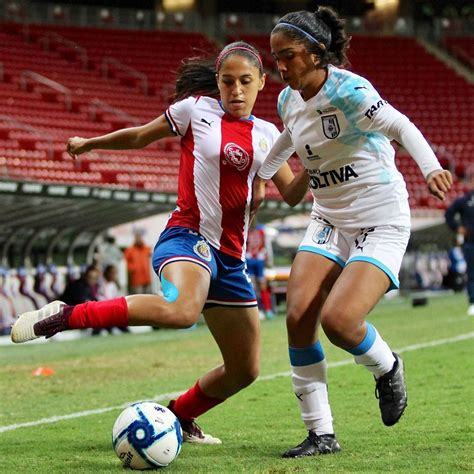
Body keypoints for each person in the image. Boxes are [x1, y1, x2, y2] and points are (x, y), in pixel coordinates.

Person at [11, 41, 309, 444]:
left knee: (244, 369)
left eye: (244, 82)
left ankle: (179, 416)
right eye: (227, 82)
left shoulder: (269, 136)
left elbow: (291, 195)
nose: (235, 90)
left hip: (231, 260)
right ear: (217, 84)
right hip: (186, 239)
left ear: (261, 83)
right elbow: (138, 137)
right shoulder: (193, 111)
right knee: (182, 310)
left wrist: (320, 157)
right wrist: (90, 143)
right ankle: (68, 315)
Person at [252, 7, 453, 458]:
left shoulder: (352, 91)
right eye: (275, 57)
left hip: (380, 216)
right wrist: (263, 175)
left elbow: (399, 125)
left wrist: (431, 168)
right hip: (328, 217)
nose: (279, 66)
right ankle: (321, 433)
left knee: (339, 322)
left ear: (317, 53)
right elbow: (289, 135)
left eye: (288, 56)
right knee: (298, 316)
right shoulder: (288, 99)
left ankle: (387, 366)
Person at [445, 188, 474, 315]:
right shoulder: (465, 200)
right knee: (472, 273)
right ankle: (473, 302)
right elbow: (448, 214)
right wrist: (458, 228)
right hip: (471, 242)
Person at [245, 220, 274, 319]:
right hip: (249, 260)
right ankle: (257, 310)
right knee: (252, 286)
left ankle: (268, 309)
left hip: (259, 260)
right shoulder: (245, 229)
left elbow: (266, 245)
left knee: (262, 285)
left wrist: (268, 260)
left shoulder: (261, 230)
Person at [124, 229, 152, 294]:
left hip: (147, 278)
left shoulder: (146, 248)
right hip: (137, 279)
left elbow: (151, 255)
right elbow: (126, 261)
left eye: (140, 237)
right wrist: (132, 269)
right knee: (139, 298)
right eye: (137, 237)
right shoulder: (130, 250)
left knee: (149, 297)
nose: (138, 239)